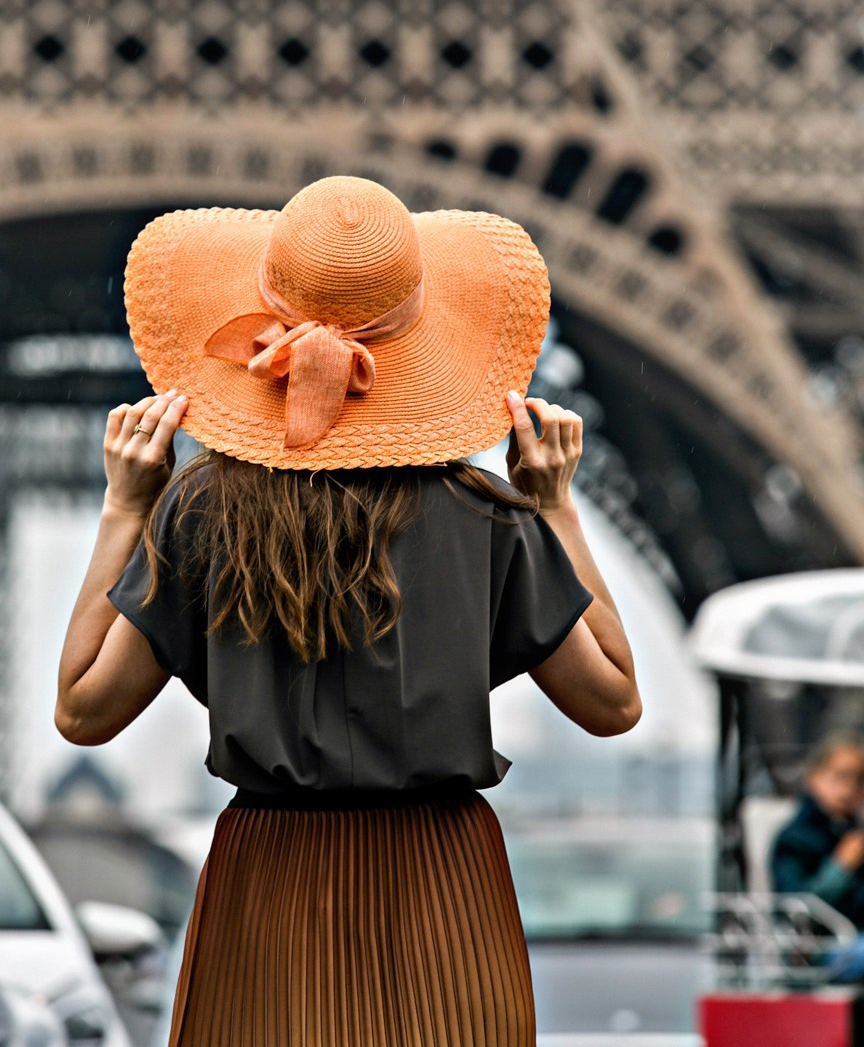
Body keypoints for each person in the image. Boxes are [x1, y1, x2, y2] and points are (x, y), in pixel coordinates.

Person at [56, 176, 640, 1046]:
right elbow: (614, 701)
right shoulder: (485, 514)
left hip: (266, 886)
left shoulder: (200, 510)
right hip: (444, 890)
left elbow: (82, 711)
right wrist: (553, 502)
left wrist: (126, 508)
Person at [772, 733, 864, 930]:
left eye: (860, 779)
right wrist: (841, 867)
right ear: (814, 777)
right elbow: (797, 910)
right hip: (819, 948)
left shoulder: (855, 832)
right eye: (842, 776)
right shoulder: (794, 838)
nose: (850, 788)